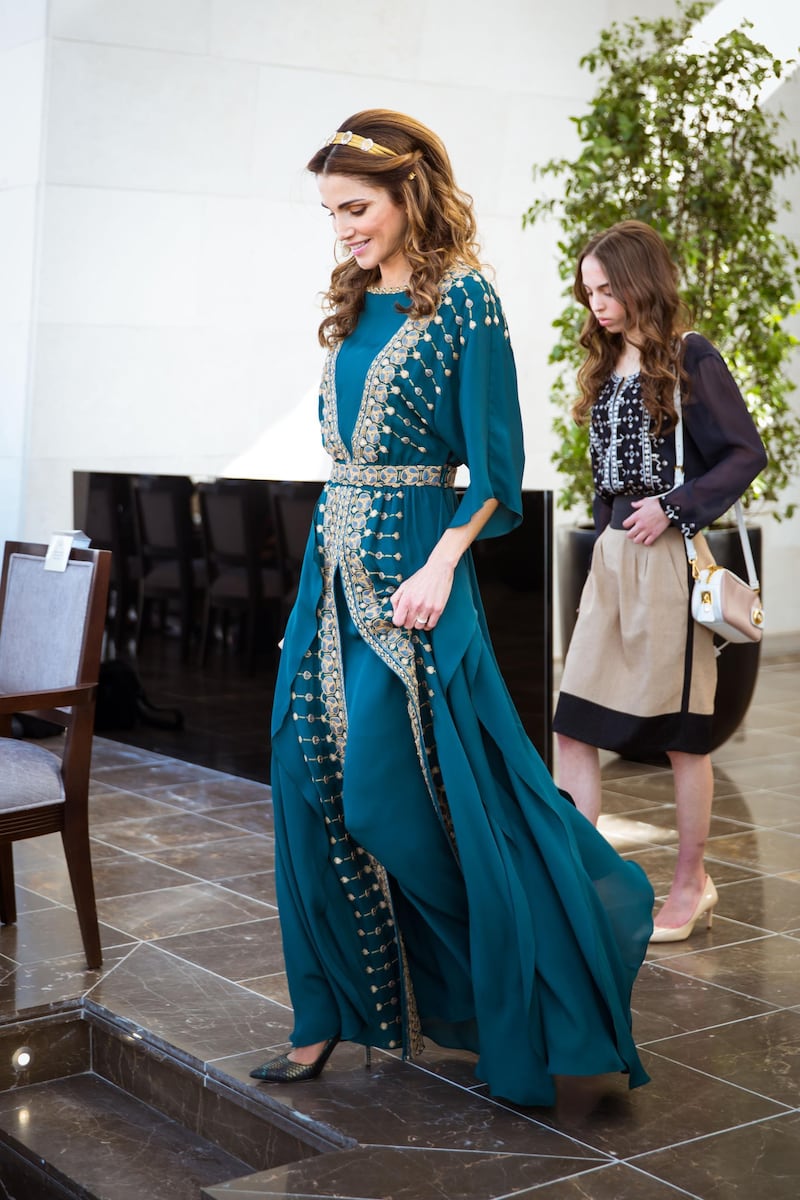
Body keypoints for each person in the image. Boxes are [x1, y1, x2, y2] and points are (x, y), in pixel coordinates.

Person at [249, 111, 654, 1107]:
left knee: (403, 802)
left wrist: (439, 565)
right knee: (303, 778)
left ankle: (516, 989)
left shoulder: (466, 303)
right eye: (330, 212)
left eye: (356, 208)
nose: (341, 228)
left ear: (407, 195)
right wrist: (317, 588)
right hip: (331, 573)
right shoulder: (350, 302)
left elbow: (498, 472)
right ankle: (323, 1019)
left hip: (417, 584)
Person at [553, 220, 767, 944]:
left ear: (642, 281)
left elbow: (745, 452)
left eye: (608, 288)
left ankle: (691, 882)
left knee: (683, 738)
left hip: (669, 564)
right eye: (589, 292)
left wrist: (674, 507)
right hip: (610, 566)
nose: (598, 304)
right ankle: (580, 881)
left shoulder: (690, 357)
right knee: (573, 727)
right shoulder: (607, 360)